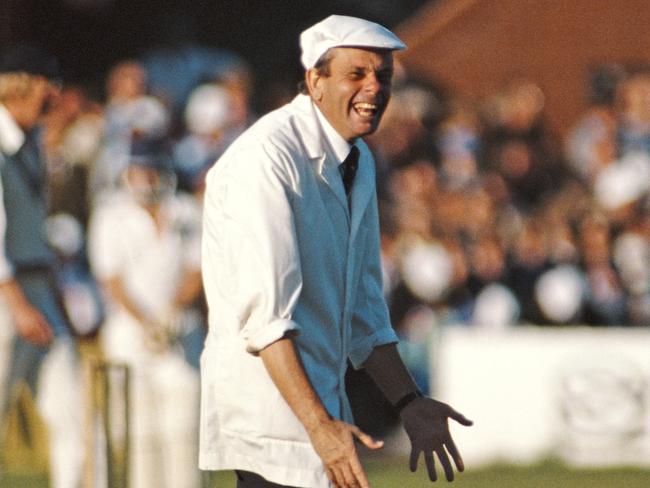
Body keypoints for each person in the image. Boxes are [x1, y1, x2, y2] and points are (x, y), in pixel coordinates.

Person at [200, 15, 473, 488]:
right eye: (356, 74)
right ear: (314, 80)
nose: (374, 88)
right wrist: (318, 426)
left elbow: (364, 308)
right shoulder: (266, 160)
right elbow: (266, 322)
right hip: (272, 418)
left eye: (382, 76)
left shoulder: (358, 157)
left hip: (321, 410)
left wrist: (410, 402)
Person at [88, 139, 203, 488]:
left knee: (182, 425)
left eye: (151, 169)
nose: (146, 178)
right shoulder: (111, 215)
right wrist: (146, 322)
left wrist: (171, 313)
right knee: (138, 433)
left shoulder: (184, 210)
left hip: (179, 332)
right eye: (139, 170)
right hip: (129, 333)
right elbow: (111, 279)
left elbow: (196, 269)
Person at [0, 44, 85, 488]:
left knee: (72, 413)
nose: (56, 99)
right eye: (50, 87)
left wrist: (53, 300)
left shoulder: (30, 141)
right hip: (5, 296)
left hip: (36, 289)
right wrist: (17, 306)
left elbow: (36, 231)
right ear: (27, 84)